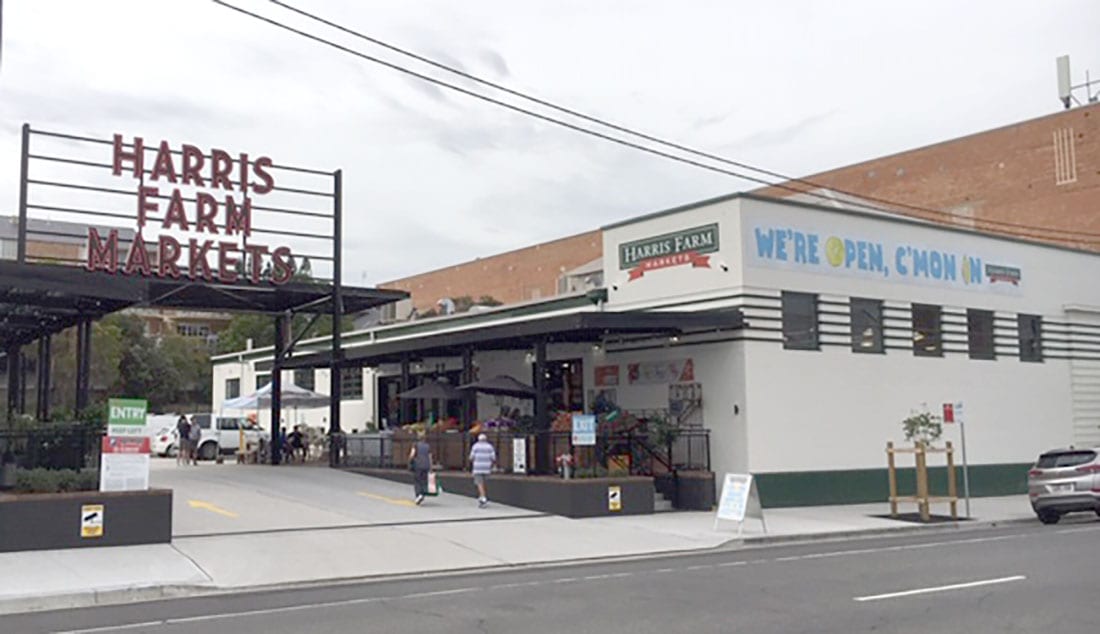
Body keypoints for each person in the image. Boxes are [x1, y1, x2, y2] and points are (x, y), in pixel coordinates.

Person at [468, 433, 497, 508]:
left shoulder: (475, 446)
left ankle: (483, 497)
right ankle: (482, 496)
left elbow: (471, 457)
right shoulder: (490, 447)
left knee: (479, 483)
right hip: (487, 467)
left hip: (478, 467)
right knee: (483, 482)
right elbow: (493, 457)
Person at [409, 433, 433, 505]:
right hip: (426, 465)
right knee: (424, 480)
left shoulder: (415, 445)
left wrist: (410, 461)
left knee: (417, 480)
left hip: (418, 465)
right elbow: (430, 457)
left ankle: (418, 495)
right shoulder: (428, 446)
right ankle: (423, 493)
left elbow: (412, 455)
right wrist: (431, 467)